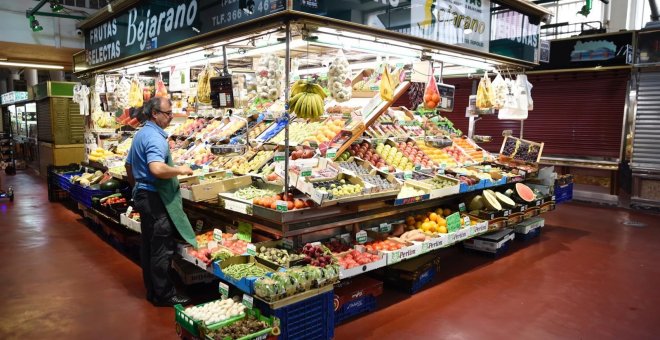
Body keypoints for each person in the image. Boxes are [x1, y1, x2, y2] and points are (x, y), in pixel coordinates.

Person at [125, 97, 195, 306]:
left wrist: (137, 187)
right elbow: (157, 168)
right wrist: (180, 169)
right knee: (161, 248)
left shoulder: (141, 133)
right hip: (154, 197)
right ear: (154, 113)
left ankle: (153, 290)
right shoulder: (155, 138)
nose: (171, 116)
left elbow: (128, 165)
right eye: (168, 113)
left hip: (144, 195)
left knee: (148, 245)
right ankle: (165, 294)